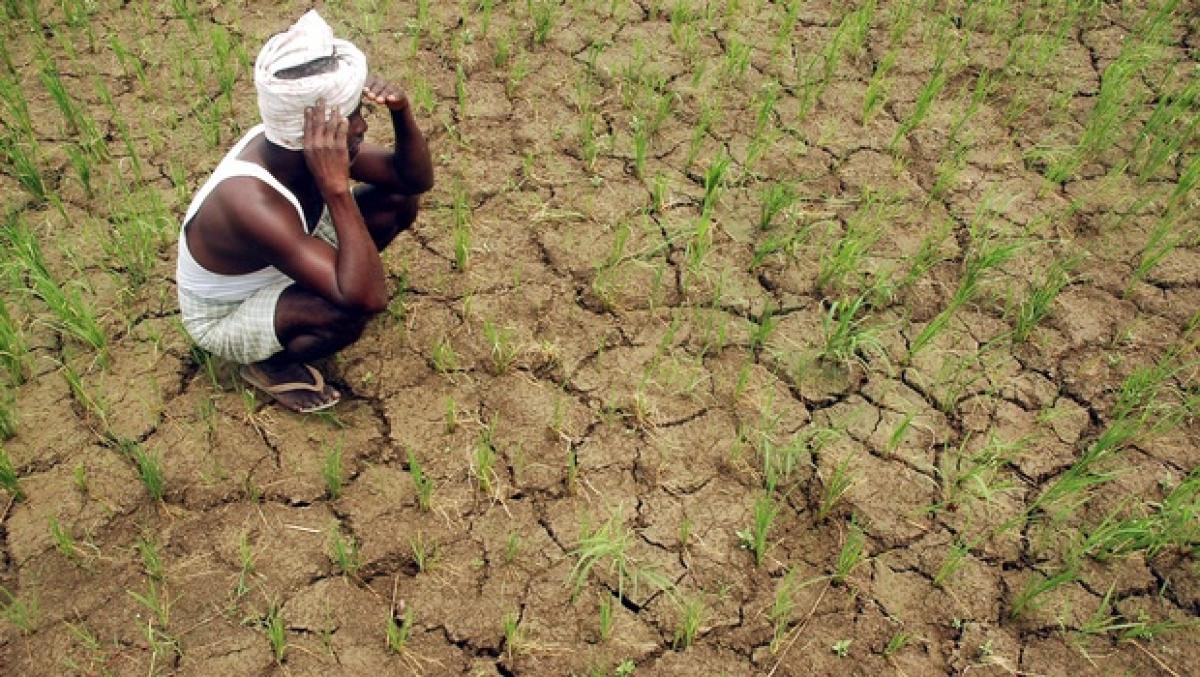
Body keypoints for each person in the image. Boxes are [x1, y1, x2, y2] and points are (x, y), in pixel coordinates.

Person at [175, 11, 433, 412]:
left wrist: (402, 112)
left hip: (286, 254)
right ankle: (269, 365)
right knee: (342, 313)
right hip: (229, 313)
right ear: (315, 135)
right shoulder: (249, 201)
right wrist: (335, 189)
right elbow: (368, 298)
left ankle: (323, 278)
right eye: (352, 119)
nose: (363, 126)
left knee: (397, 200)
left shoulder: (295, 147)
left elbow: (412, 180)